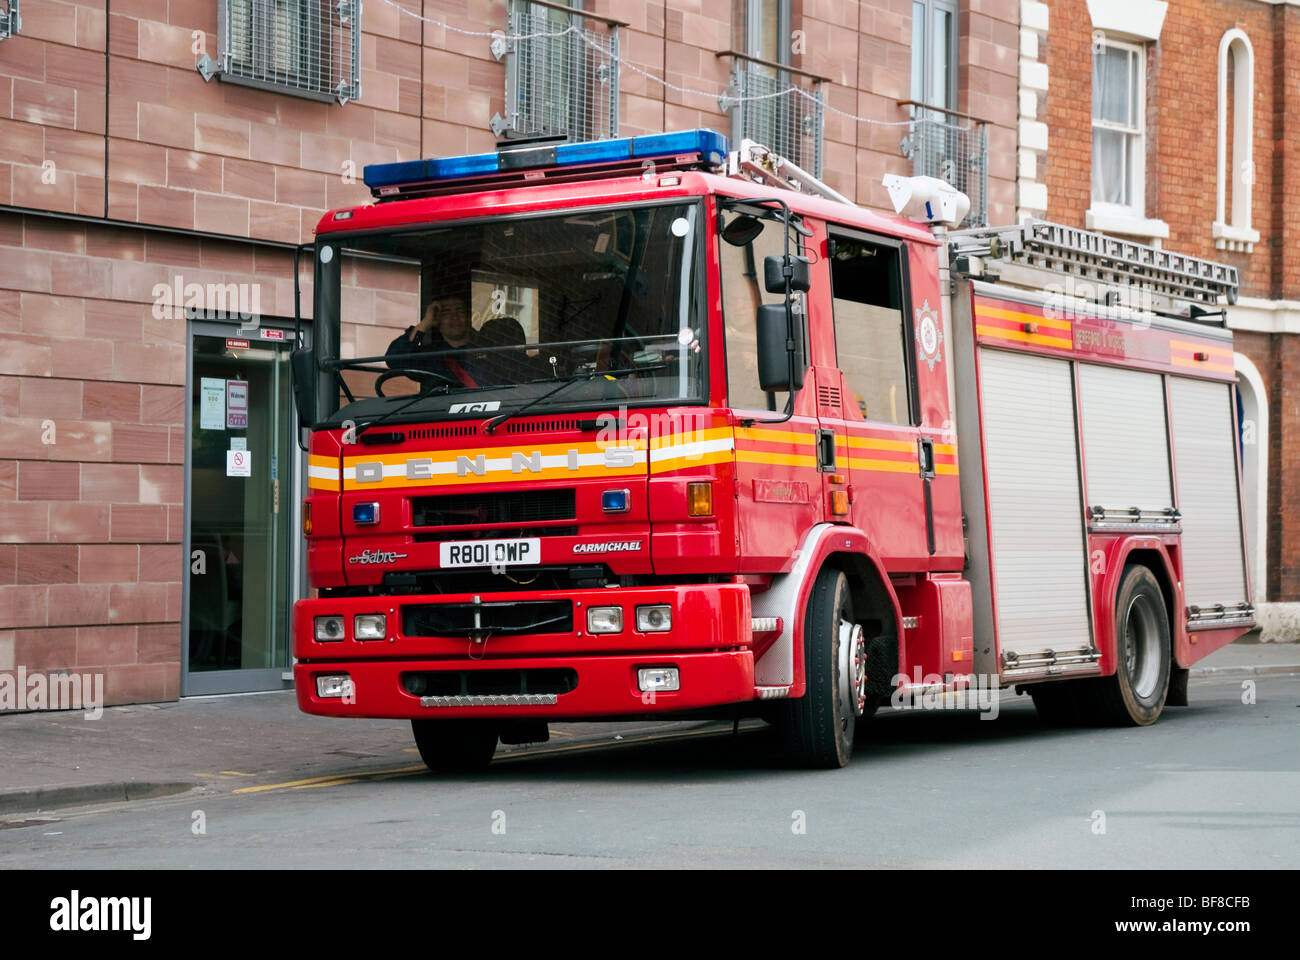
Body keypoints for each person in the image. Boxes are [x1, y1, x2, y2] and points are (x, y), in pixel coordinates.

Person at [386, 295, 481, 387]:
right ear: (437, 319)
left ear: (468, 317)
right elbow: (394, 359)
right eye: (446, 312)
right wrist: (425, 322)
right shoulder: (430, 356)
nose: (455, 317)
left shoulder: (484, 348)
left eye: (460, 311)